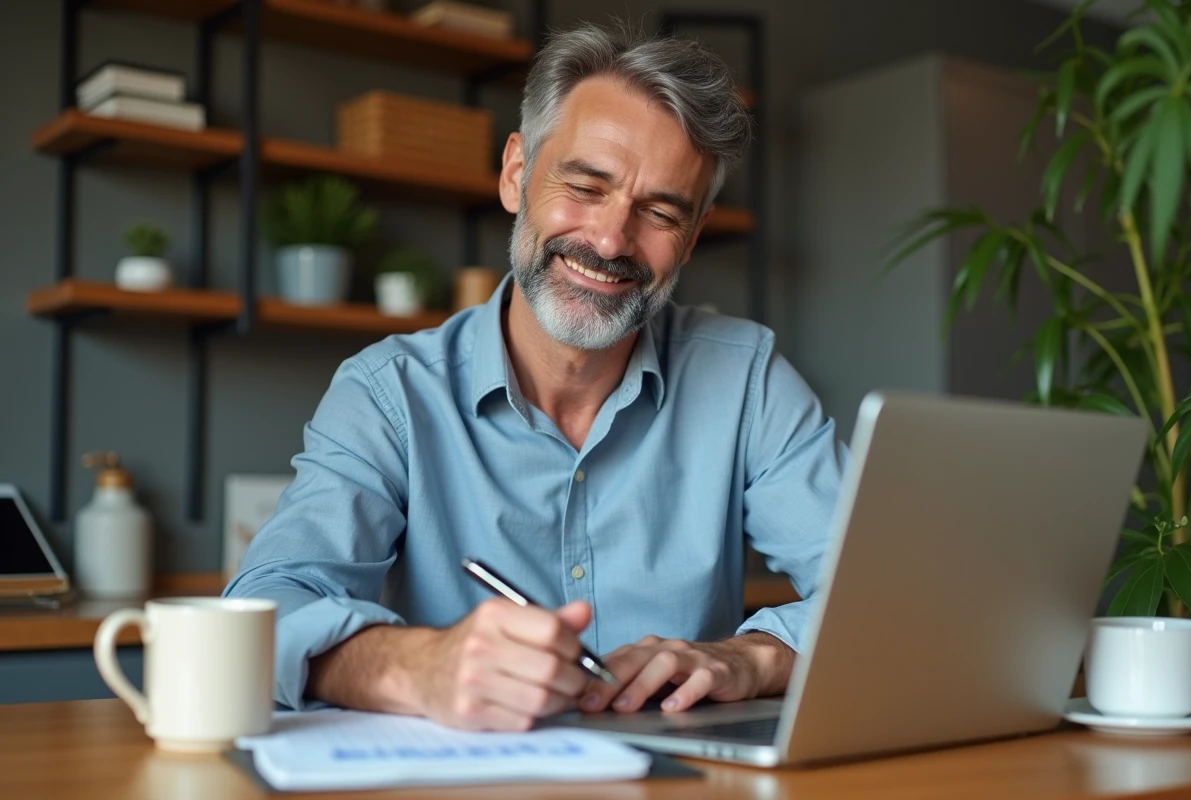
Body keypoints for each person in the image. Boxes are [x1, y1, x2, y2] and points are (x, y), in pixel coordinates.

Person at [225, 21, 846, 732]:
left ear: (694, 236)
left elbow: (883, 597)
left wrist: (754, 657)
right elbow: (269, 611)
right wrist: (415, 665)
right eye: (585, 186)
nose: (611, 240)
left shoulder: (747, 379)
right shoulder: (388, 393)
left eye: (660, 213)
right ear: (516, 174)